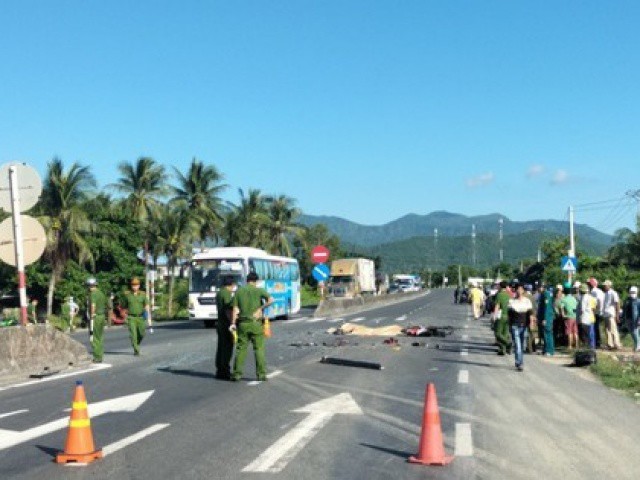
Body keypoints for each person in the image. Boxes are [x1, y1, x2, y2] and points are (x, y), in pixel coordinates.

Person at [230, 272, 274, 382]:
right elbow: (271, 300)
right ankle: (261, 374)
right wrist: (260, 308)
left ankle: (236, 374)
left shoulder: (239, 291)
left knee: (241, 349)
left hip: (243, 324)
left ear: (247, 280)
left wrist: (233, 323)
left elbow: (235, 310)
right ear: (256, 281)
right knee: (259, 349)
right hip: (256, 324)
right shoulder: (259, 290)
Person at [508, 283, 535, 372]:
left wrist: (531, 323)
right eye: (518, 289)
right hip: (515, 326)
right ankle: (520, 363)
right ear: (515, 290)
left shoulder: (527, 301)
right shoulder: (512, 302)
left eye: (521, 289)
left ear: (523, 290)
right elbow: (509, 316)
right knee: (518, 345)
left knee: (522, 346)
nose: (519, 291)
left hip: (524, 326)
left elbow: (530, 313)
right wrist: (509, 326)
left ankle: (519, 361)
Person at [122, 277, 151, 356]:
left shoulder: (142, 295)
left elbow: (147, 305)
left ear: (139, 286)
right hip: (131, 317)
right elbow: (124, 306)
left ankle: (136, 343)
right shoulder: (128, 295)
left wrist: (148, 317)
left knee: (142, 334)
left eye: (136, 285)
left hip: (141, 317)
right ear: (131, 286)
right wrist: (124, 316)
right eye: (133, 285)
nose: (135, 287)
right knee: (133, 334)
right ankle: (136, 350)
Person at [215, 276, 236, 380]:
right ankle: (225, 371)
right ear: (231, 284)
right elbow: (229, 309)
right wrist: (232, 324)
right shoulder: (226, 294)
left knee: (220, 348)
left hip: (220, 324)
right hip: (226, 324)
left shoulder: (219, 293)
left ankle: (219, 370)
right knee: (227, 349)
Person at [86, 277, 107, 363]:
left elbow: (93, 305)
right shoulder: (101, 293)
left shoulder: (93, 294)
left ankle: (97, 357)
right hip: (102, 316)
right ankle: (100, 355)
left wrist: (92, 315)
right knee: (100, 337)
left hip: (95, 317)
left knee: (94, 337)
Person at [493, 281, 512, 356]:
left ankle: (508, 344)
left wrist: (494, 316)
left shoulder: (499, 295)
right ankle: (502, 350)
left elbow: (497, 306)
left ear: (500, 287)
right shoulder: (509, 295)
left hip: (501, 316)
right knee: (505, 333)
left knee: (498, 333)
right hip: (508, 316)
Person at [602, 280, 622, 350]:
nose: (604, 286)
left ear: (609, 285)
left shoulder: (613, 293)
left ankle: (617, 344)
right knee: (607, 330)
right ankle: (610, 344)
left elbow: (617, 303)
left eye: (605, 285)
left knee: (613, 329)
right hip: (606, 313)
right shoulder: (606, 293)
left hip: (611, 313)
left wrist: (617, 314)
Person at [577, 284, 597, 349]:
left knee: (584, 336)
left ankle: (586, 349)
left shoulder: (583, 298)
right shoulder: (590, 297)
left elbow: (582, 309)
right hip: (588, 319)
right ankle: (589, 348)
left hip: (583, 319)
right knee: (588, 335)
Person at [560, 283, 579, 349]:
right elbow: (576, 307)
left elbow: (562, 308)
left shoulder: (563, 300)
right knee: (575, 331)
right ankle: (576, 345)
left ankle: (570, 345)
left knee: (569, 332)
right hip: (575, 316)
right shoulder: (574, 298)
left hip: (568, 317)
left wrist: (563, 315)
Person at [587, 277, 605, 348]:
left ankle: (597, 343)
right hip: (598, 311)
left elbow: (599, 301)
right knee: (596, 327)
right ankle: (597, 342)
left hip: (596, 312)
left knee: (595, 328)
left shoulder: (594, 292)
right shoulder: (598, 291)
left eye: (588, 284)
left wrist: (598, 309)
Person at [622, 286, 640, 352]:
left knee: (635, 332)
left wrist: (639, 320)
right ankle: (636, 344)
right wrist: (623, 318)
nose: (632, 293)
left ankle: (638, 345)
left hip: (635, 319)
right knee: (631, 332)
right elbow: (624, 309)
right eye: (631, 292)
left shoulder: (638, 301)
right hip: (628, 318)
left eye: (633, 292)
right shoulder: (627, 300)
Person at [541, 286, 555, 356]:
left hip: (547, 317)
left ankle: (549, 350)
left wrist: (545, 319)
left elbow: (546, 308)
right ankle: (546, 349)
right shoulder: (545, 294)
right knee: (546, 333)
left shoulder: (546, 294)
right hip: (548, 317)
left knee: (547, 334)